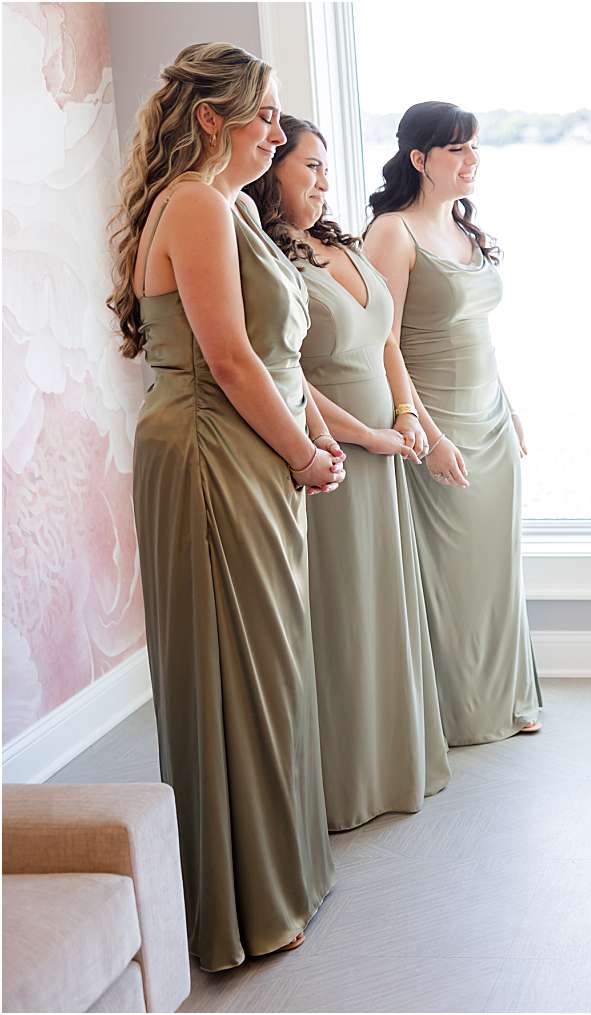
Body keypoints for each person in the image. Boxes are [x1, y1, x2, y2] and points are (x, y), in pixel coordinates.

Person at [108, 42, 340, 970]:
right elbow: (232, 361)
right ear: (212, 118)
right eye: (266, 115)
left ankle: (275, 876)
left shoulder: (228, 204)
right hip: (211, 450)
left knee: (266, 664)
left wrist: (306, 444)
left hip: (239, 448)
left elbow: (264, 362)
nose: (278, 133)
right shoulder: (200, 204)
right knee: (236, 666)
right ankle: (243, 902)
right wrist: (307, 455)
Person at [246, 115, 451, 831]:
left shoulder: (342, 243)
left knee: (386, 609)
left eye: (326, 168)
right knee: (341, 617)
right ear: (272, 172)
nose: (324, 181)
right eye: (309, 167)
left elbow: (386, 340)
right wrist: (365, 436)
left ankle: (400, 764)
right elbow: (288, 375)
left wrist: (408, 416)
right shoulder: (271, 261)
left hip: (388, 449)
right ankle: (346, 783)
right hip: (332, 454)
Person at [362, 100, 542, 745]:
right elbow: (381, 345)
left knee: (495, 571)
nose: (471, 161)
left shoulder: (466, 232)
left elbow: (478, 337)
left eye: (474, 148)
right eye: (456, 149)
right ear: (420, 159)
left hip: (490, 422)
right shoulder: (391, 233)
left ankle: (505, 700)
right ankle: (455, 714)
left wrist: (511, 409)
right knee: (447, 575)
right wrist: (428, 435)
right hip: (437, 426)